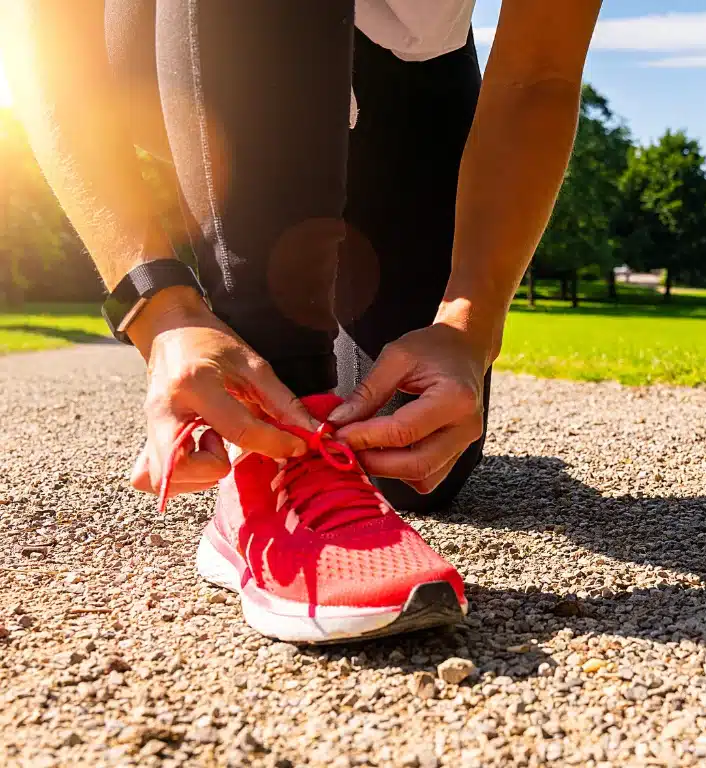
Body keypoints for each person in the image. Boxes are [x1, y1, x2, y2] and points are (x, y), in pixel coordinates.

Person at [1, 0, 602, 642]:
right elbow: (45, 29)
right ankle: (266, 464)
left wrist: (468, 326)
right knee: (299, 404)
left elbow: (540, 72)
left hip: (409, 63)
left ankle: (315, 338)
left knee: (420, 464)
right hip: (189, 39)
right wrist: (159, 306)